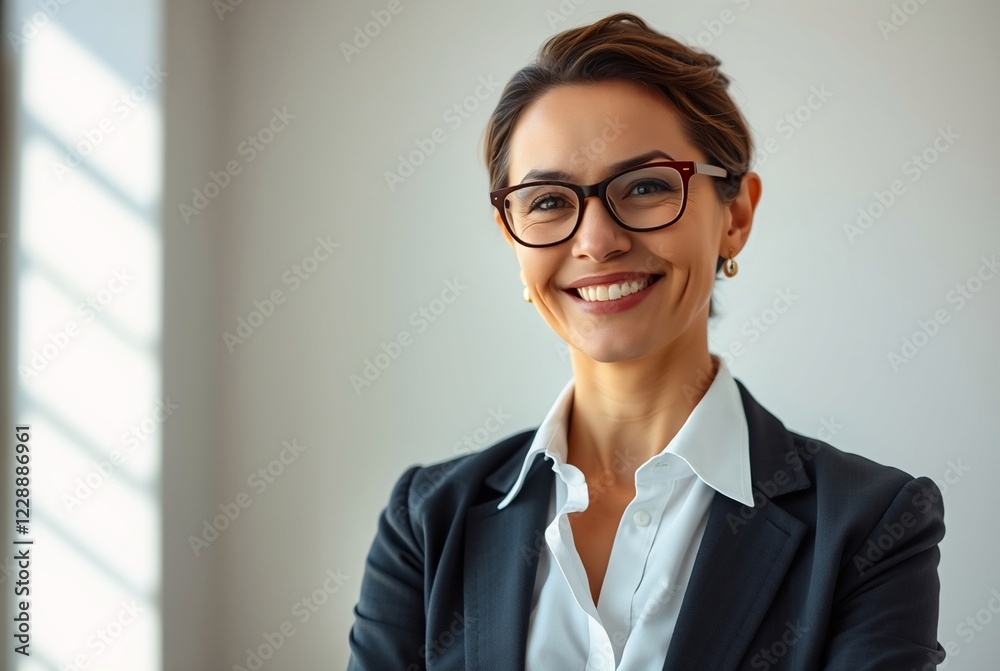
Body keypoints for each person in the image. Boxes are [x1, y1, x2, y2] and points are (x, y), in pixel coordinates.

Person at [346, 12, 945, 670]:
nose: (597, 241)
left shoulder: (873, 524)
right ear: (511, 234)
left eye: (648, 186)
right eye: (548, 200)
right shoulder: (426, 522)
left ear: (736, 215)